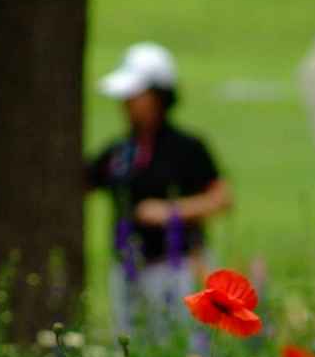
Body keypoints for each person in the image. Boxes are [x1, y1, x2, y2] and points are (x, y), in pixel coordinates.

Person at [86, 43, 232, 339]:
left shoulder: (187, 148)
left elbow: (222, 198)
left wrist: (171, 212)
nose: (126, 103)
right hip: (128, 268)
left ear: (158, 97)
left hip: (176, 267)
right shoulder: (119, 151)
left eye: (135, 96)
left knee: (180, 342)